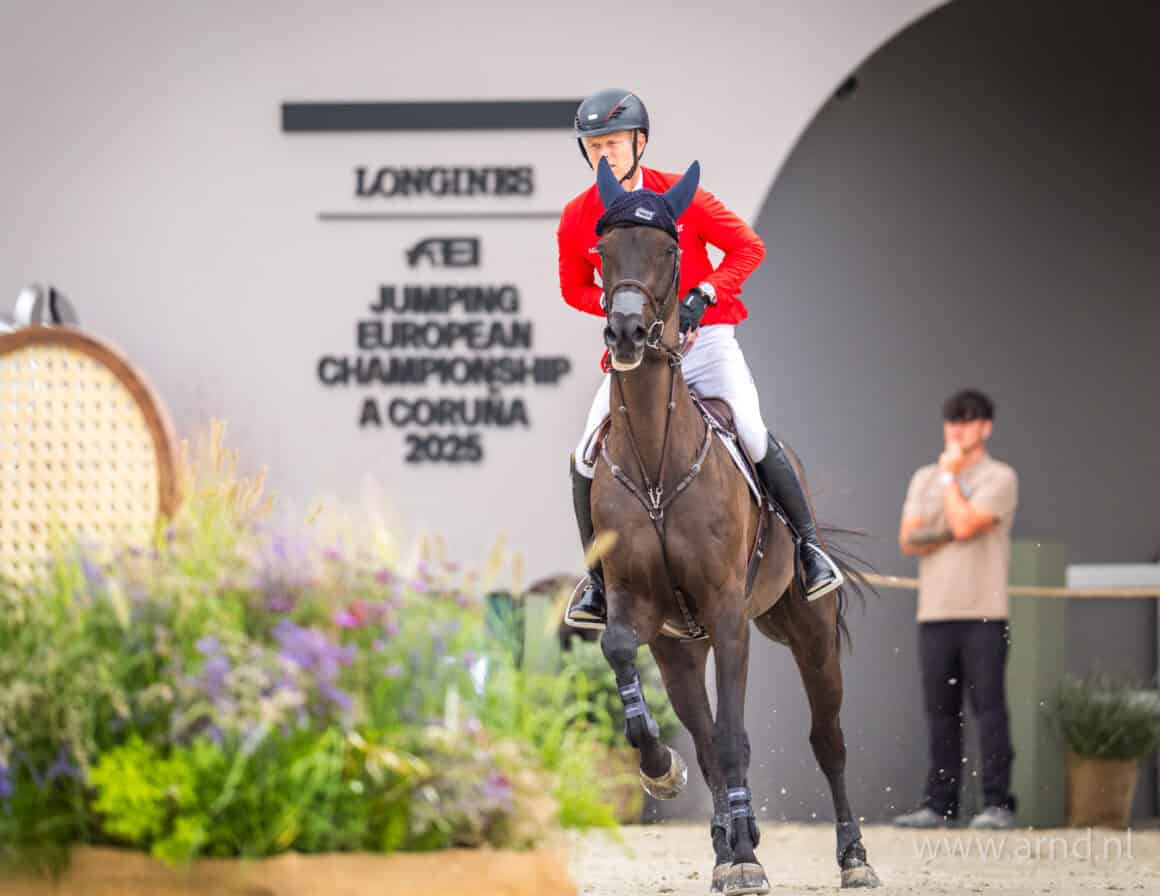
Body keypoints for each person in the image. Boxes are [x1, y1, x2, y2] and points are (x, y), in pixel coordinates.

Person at [557, 88, 843, 628]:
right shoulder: (579, 216)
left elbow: (747, 247)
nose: (604, 154)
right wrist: (613, 302)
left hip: (705, 342)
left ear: (640, 142)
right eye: (594, 146)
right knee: (584, 454)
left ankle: (809, 551)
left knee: (753, 433)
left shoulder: (682, 197)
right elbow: (572, 284)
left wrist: (706, 291)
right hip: (637, 354)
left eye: (613, 143)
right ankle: (597, 583)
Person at [893, 389, 1019, 830]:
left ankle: (998, 803)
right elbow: (909, 539)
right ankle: (940, 805)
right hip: (934, 613)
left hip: (984, 611)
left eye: (967, 421)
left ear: (986, 427)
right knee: (941, 712)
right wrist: (951, 521)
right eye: (953, 421)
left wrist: (950, 486)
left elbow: (965, 526)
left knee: (989, 709)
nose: (958, 429)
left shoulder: (999, 477)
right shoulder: (922, 476)